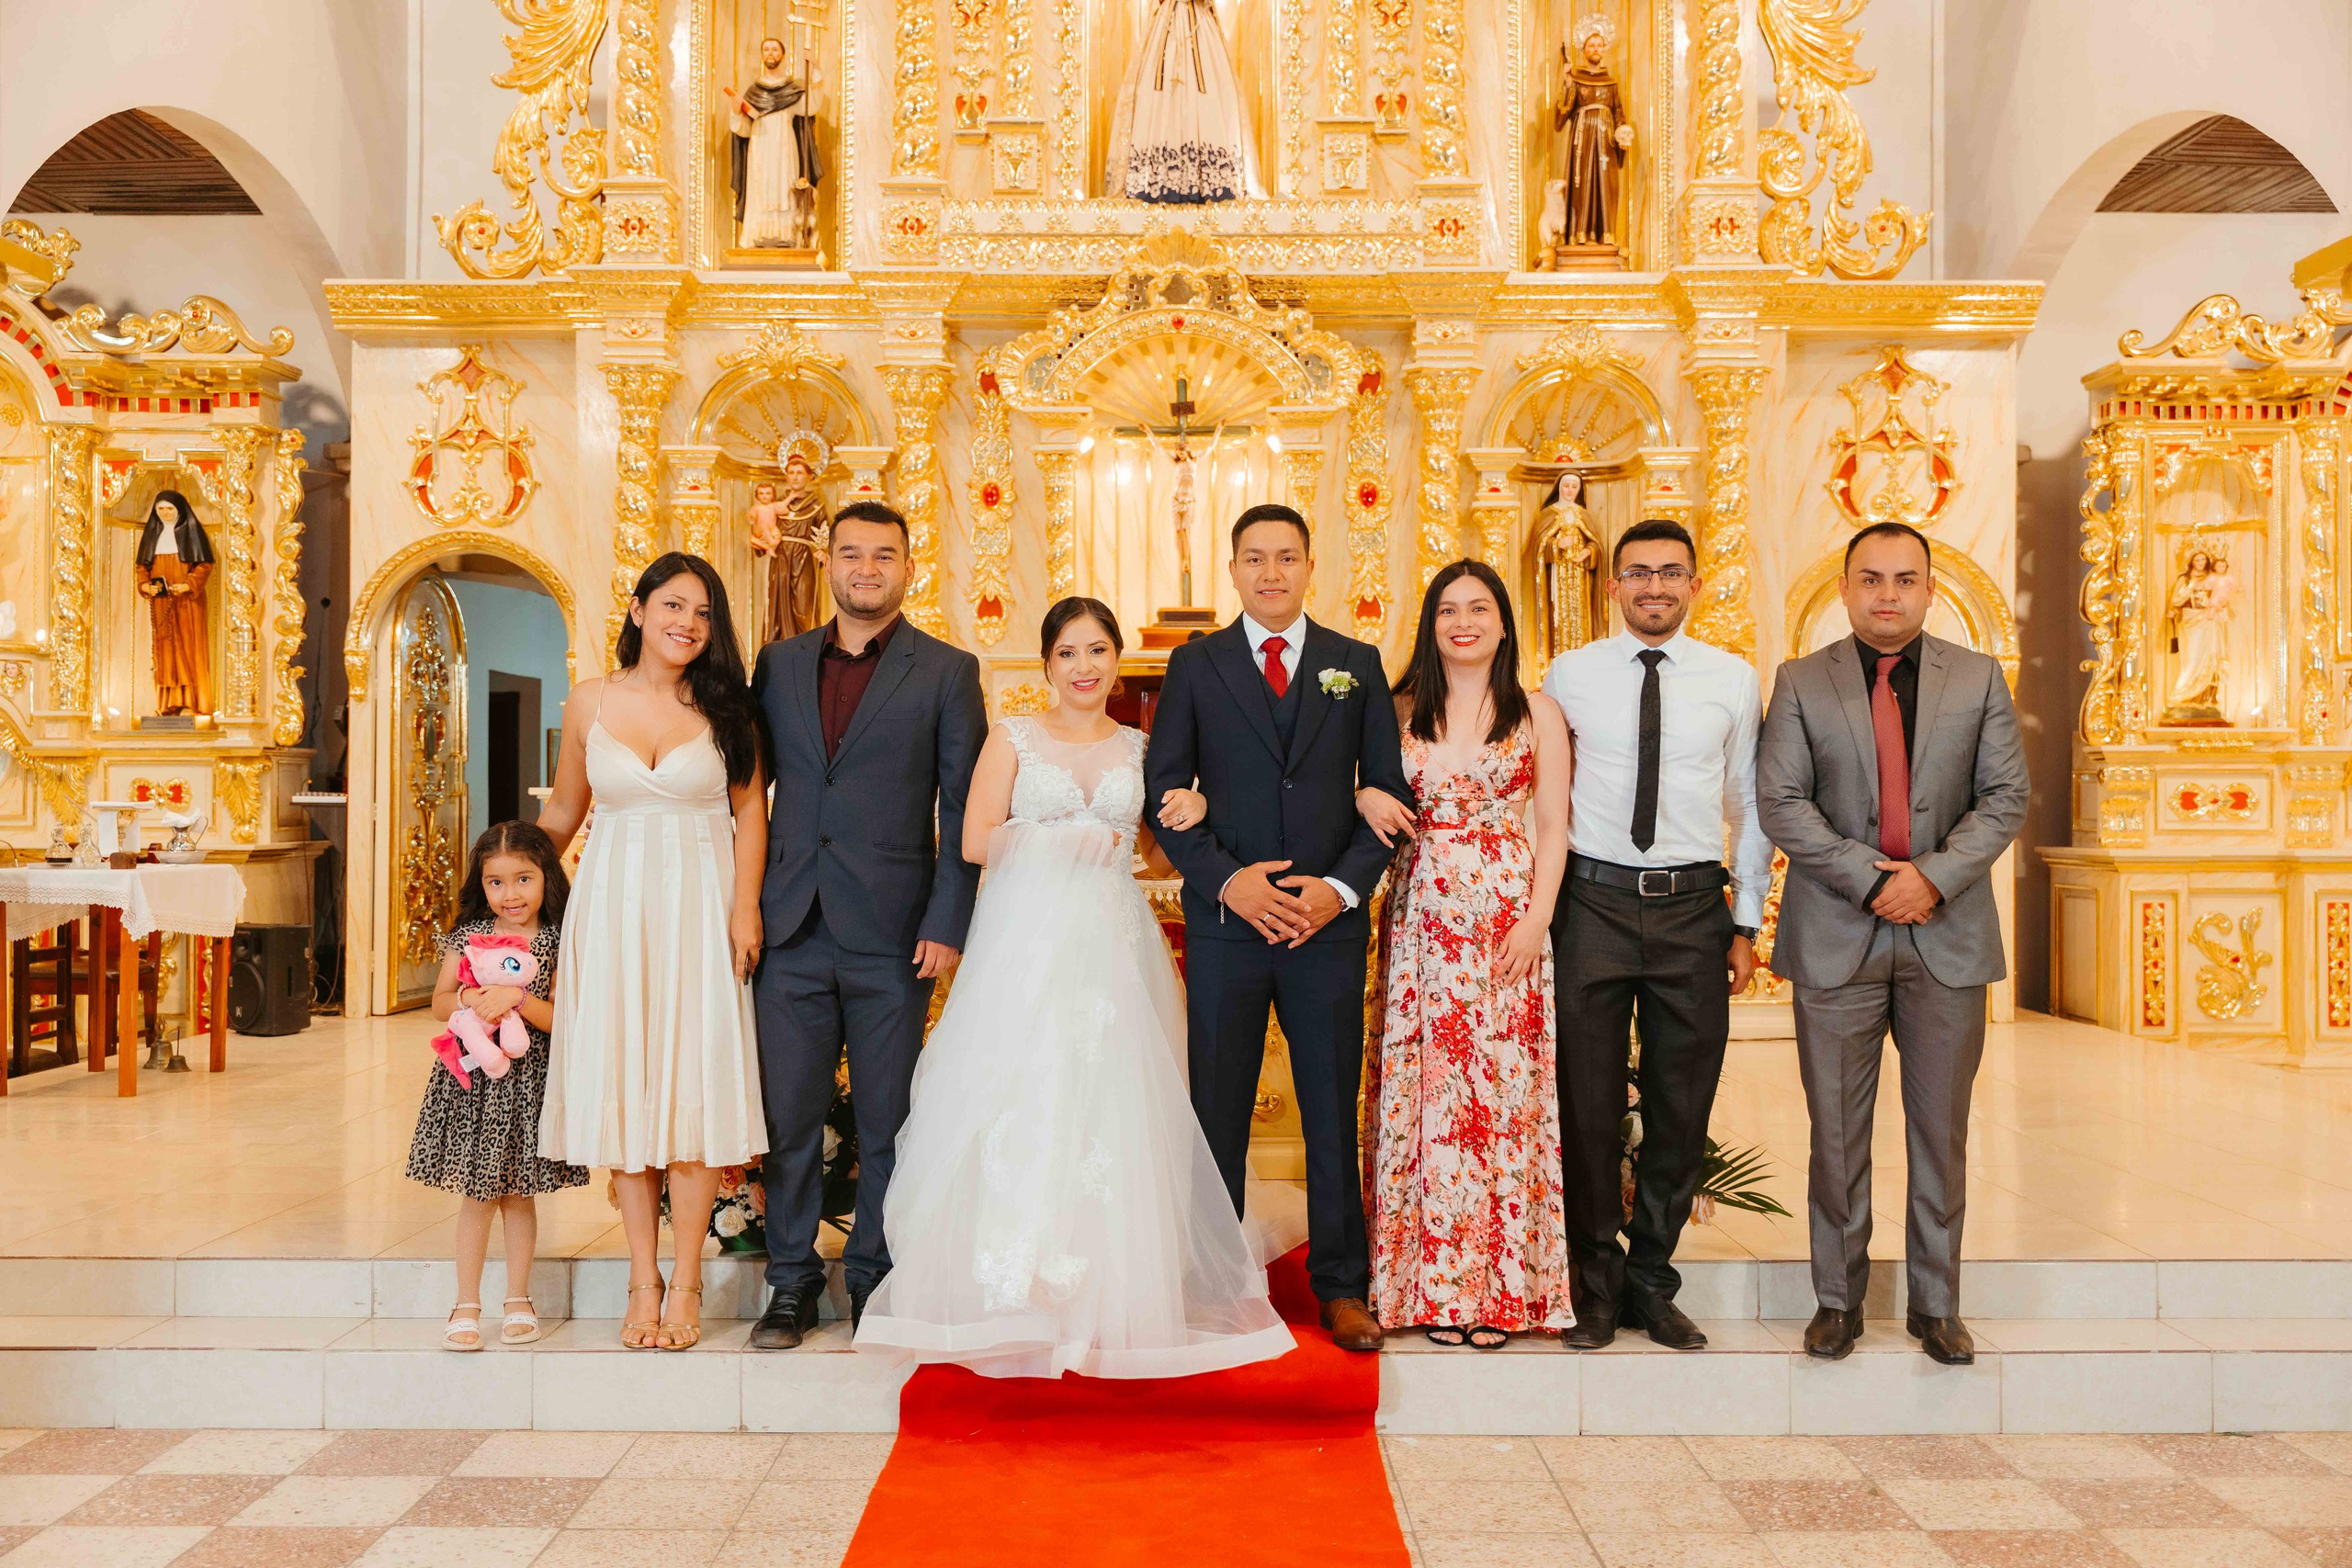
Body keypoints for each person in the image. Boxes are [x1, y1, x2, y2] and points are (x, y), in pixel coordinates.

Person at [855, 598, 1294, 1377]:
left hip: (1116, 945)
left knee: (1114, 1106)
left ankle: (1112, 1286)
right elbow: (974, 839)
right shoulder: (1014, 736)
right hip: (1028, 943)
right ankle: (1015, 1287)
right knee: (1028, 1098)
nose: (1084, 666)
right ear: (1048, 662)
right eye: (1068, 652)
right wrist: (1055, 841)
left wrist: (1195, 806)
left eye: (1097, 650)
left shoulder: (1143, 746)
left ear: (1116, 658)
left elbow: (1160, 856)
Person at [1757, 521, 2029, 1366]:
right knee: (1836, 1131)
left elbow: (2006, 797)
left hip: (1947, 932)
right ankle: (1836, 1300)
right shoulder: (1802, 681)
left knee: (1940, 1130)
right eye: (1870, 578)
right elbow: (1783, 802)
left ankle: (1936, 1304)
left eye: (1904, 579)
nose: (1887, 594)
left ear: (1929, 589)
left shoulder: (1979, 679)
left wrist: (1933, 877)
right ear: (1843, 588)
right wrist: (1874, 878)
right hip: (1837, 931)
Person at [1144, 502, 1411, 1352]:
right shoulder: (1195, 665)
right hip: (1229, 926)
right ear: (1232, 570)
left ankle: (1341, 1287)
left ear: (1309, 565)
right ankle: (1214, 1282)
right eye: (1254, 558)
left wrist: (1338, 889)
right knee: (1214, 1105)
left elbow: (1387, 799)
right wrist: (1231, 883)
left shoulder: (1355, 664)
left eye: (1286, 556)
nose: (1271, 572)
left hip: (1325, 927)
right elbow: (1165, 797)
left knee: (1332, 1108)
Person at [747, 501, 988, 1350]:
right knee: (789, 1119)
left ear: (908, 567)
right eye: (852, 554)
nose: (866, 568)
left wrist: (948, 918)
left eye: (883, 555)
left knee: (889, 1119)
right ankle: (790, 1283)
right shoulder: (775, 666)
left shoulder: (947, 672)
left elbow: (961, 806)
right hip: (791, 925)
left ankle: (875, 1280)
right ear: (831, 564)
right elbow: (749, 795)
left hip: (895, 933)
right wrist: (746, 907)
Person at [1541, 518, 1770, 1350]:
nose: (1655, 587)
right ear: (1612, 586)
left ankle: (1652, 1280)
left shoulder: (1733, 680)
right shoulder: (1569, 674)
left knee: (1680, 1103)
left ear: (1695, 585)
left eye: (1672, 573)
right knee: (1589, 1103)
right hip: (1592, 905)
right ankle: (1593, 1285)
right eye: (1638, 573)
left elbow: (1748, 803)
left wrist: (1745, 921)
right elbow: (1545, 796)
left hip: (1692, 911)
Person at [538, 553, 770, 1351]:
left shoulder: (730, 708)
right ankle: (644, 1276)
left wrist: (745, 910)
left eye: (704, 613)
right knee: (630, 1083)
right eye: (674, 605)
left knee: (691, 1085)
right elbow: (566, 810)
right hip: (611, 908)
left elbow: (751, 815)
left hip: (700, 907)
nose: (689, 623)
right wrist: (500, 877)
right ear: (637, 610)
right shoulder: (589, 701)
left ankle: (691, 1279)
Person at [1357, 561, 1574, 1347]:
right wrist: (1362, 793)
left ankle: (1502, 1294)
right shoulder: (1397, 707)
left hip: (1507, 922)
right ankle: (1429, 1290)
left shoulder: (1536, 711)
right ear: (1430, 621)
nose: (1464, 621)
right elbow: (1355, 787)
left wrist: (1537, 918)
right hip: (1421, 917)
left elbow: (1553, 823)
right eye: (1448, 608)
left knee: (1501, 1100)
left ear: (1504, 622)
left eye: (1479, 607)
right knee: (1431, 1101)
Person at [408, 820, 585, 1351]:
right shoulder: (469, 936)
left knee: (518, 1194)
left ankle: (517, 1298)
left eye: (523, 879)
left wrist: (516, 999)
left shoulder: (560, 937)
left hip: (529, 1082)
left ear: (546, 878)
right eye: (496, 882)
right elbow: (440, 1001)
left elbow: (563, 1018)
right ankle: (466, 1302)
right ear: (480, 885)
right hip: (473, 1084)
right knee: (478, 1195)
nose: (511, 894)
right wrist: (470, 998)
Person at [1103, 0, 1250, 202]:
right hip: (1167, 25)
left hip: (1199, 24)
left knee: (1206, 93)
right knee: (1157, 92)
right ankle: (1155, 179)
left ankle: (1208, 181)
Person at [725, 35, 823, 249]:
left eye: (775, 50)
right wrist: (735, 112)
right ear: (762, 55)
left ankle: (787, 236)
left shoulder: (791, 90)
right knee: (761, 189)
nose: (771, 53)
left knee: (785, 189)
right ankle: (757, 236)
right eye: (767, 50)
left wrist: (814, 70)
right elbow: (744, 130)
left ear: (783, 55)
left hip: (785, 147)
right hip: (759, 147)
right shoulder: (754, 92)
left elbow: (812, 106)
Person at [134, 490, 214, 716]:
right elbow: (142, 567)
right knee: (165, 650)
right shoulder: (153, 535)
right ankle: (168, 704)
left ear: (179, 510)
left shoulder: (191, 532)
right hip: (161, 603)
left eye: (170, 509)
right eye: (161, 509)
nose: (166, 513)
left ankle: (192, 703)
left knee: (189, 648)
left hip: (188, 602)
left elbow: (204, 565)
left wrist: (188, 584)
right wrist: (144, 585)